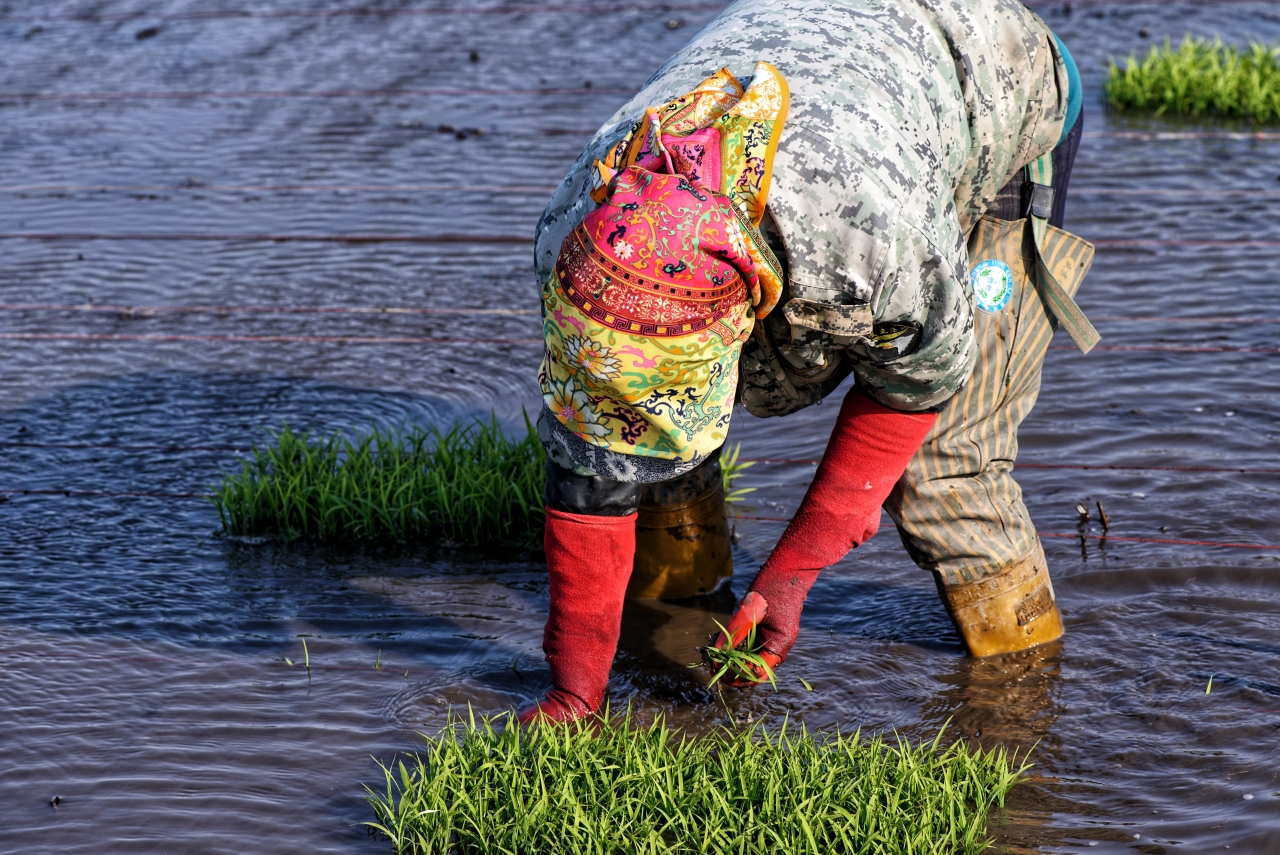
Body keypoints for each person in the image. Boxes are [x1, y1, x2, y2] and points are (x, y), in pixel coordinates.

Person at [520, 0, 1094, 723]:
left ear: (747, 310)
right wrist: (574, 693)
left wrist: (790, 576)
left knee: (947, 467)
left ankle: (1023, 706)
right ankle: (674, 617)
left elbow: (916, 389)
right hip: (837, 72)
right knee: (636, 428)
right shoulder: (573, 233)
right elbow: (590, 464)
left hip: (990, 77)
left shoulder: (875, 249)